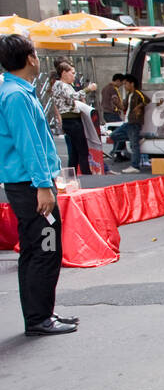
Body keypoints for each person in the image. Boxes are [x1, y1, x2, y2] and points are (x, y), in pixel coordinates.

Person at [0, 35, 78, 336]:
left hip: (28, 183)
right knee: (45, 248)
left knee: (36, 249)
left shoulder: (17, 91)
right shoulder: (16, 95)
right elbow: (28, 144)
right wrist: (43, 185)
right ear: (30, 58)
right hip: (30, 185)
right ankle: (38, 318)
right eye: (36, 53)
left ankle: (41, 313)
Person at [50, 61, 96, 175]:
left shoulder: (64, 85)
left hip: (72, 120)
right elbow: (73, 97)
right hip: (71, 120)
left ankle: (72, 176)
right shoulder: (61, 84)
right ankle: (86, 174)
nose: (74, 76)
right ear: (64, 73)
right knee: (82, 149)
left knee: (75, 151)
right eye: (72, 73)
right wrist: (88, 89)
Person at [115, 73, 148, 174]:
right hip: (128, 121)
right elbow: (124, 107)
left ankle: (135, 165)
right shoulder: (129, 95)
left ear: (132, 84)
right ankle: (136, 138)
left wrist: (139, 107)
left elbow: (146, 100)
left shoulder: (138, 93)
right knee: (114, 135)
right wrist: (117, 103)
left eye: (126, 84)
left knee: (134, 146)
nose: (124, 86)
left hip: (134, 122)